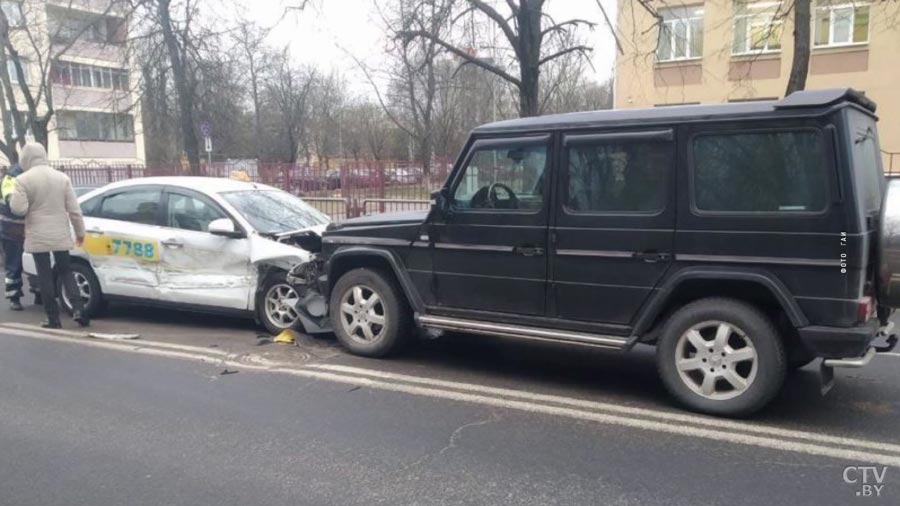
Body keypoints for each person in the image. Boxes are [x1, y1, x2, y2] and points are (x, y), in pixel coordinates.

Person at [9, 143, 88, 329]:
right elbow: (74, 210)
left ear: (26, 158)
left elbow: (18, 209)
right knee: (66, 270)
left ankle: (53, 318)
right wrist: (80, 232)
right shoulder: (62, 178)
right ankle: (79, 310)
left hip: (38, 233)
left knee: (44, 275)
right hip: (60, 232)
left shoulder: (22, 180)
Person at [0, 163, 25, 310]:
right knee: (14, 265)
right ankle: (14, 296)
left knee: (34, 263)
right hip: (12, 229)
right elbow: (12, 202)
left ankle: (38, 292)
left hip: (26, 228)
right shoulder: (10, 180)